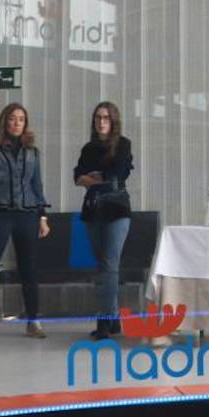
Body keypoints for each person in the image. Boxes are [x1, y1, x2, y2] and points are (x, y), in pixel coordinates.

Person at [0, 103, 51, 343]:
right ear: (4, 122)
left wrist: (42, 216)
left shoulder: (32, 153)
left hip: (27, 214)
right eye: (12, 118)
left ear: (25, 124)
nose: (16, 123)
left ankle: (33, 321)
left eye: (21, 119)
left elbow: (37, 185)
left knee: (29, 268)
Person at [74, 101, 134, 340]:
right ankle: (114, 319)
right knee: (102, 267)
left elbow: (115, 174)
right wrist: (98, 178)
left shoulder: (123, 144)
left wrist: (93, 177)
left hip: (117, 209)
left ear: (113, 121)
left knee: (110, 265)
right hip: (92, 209)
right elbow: (77, 177)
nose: (101, 122)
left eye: (106, 118)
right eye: (98, 117)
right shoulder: (88, 148)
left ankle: (104, 321)